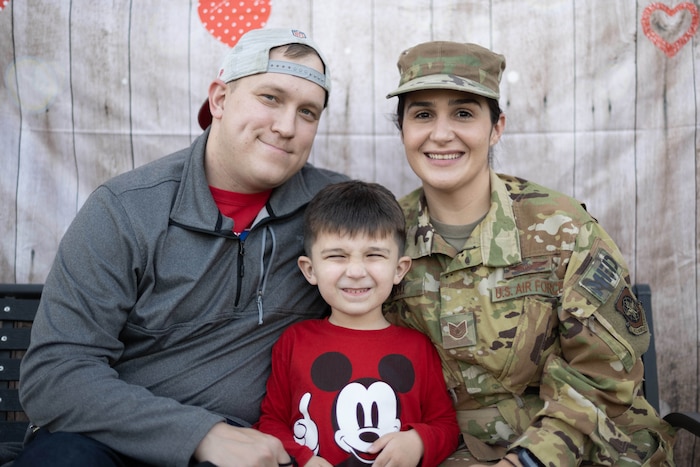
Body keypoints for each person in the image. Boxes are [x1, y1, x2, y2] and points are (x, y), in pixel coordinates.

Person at [13, 27, 347, 467]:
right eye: (270, 98)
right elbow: (54, 374)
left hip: (252, 451)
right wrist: (201, 435)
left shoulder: (333, 213)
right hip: (113, 442)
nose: (286, 127)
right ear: (220, 100)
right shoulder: (125, 209)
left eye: (308, 112)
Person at [382, 41, 676, 467]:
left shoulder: (562, 228)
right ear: (404, 129)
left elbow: (605, 377)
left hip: (578, 446)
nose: (441, 133)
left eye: (464, 113)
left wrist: (529, 460)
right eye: (422, 114)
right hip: (446, 448)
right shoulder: (384, 237)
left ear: (496, 127)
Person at [255, 180, 459, 467]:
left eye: (374, 255)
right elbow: (271, 423)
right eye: (337, 256)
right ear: (310, 269)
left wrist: (418, 441)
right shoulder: (295, 341)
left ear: (399, 269)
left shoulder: (417, 346)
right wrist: (302, 459)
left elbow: (446, 425)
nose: (355, 271)